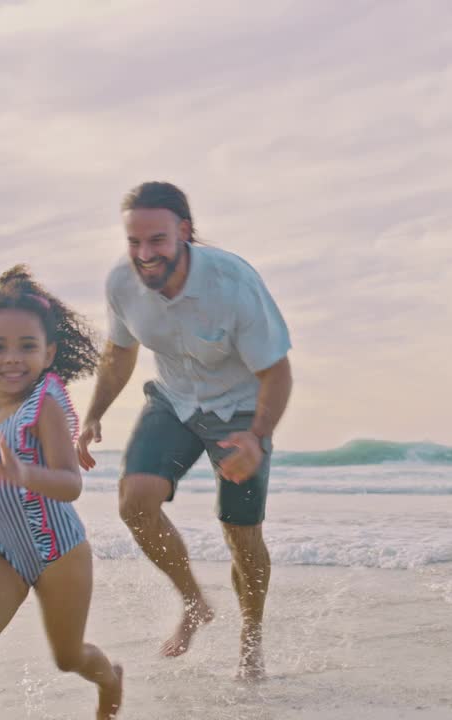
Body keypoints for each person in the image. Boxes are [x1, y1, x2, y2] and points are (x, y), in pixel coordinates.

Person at [77, 181, 293, 681]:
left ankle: (251, 637)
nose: (144, 254)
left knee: (241, 535)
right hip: (175, 399)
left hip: (241, 407)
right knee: (135, 502)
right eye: (134, 242)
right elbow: (119, 352)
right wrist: (93, 415)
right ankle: (194, 601)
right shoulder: (122, 283)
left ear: (185, 233)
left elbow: (277, 372)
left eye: (156, 241)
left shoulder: (233, 284)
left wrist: (256, 436)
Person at [0, 266, 122, 719]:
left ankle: (110, 678)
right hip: (4, 552)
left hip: (60, 553)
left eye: (27, 347)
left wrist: (25, 474)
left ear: (48, 353)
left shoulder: (45, 405)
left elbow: (71, 484)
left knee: (68, 657)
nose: (12, 358)